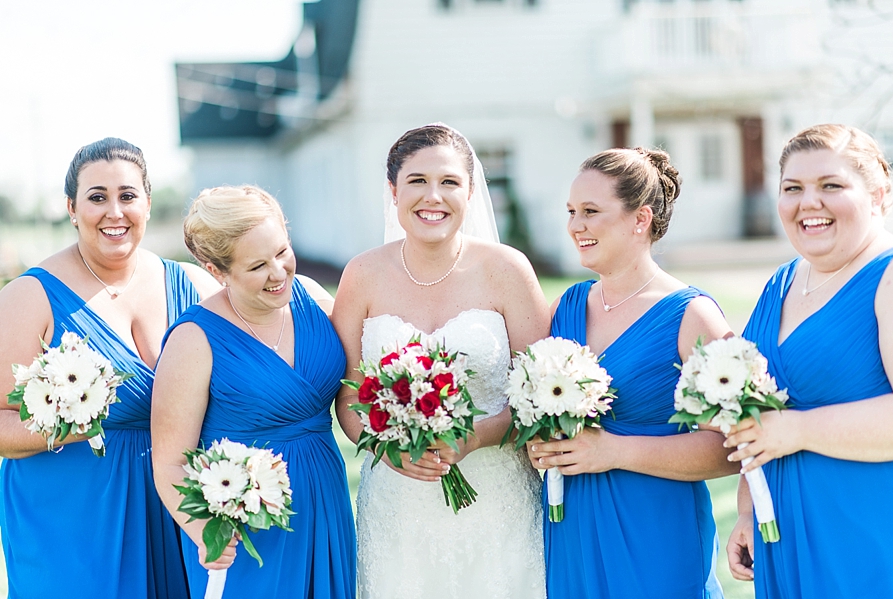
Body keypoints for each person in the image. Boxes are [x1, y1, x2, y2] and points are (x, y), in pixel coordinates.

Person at [332, 123, 551, 598]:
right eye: (417, 181)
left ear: (471, 192)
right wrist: (388, 447)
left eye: (450, 182)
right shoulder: (361, 275)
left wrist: (478, 436)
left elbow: (539, 395)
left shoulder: (508, 270)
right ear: (393, 191)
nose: (434, 196)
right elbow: (348, 398)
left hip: (498, 497)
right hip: (397, 501)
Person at [0, 137, 219, 598]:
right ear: (72, 208)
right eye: (97, 198)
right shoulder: (28, 297)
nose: (114, 212)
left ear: (148, 202)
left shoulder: (195, 287)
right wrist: (73, 422)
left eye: (127, 196)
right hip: (71, 522)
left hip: (174, 508)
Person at [527, 147, 737, 599]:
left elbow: (730, 447)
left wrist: (614, 451)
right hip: (573, 526)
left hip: (656, 528)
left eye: (590, 211)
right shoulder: (564, 307)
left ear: (640, 219)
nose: (575, 226)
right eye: (571, 212)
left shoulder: (693, 316)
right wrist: (538, 443)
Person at [151, 185, 355, 599]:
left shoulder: (315, 299)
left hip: (325, 499)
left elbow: (356, 396)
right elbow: (169, 462)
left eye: (282, 252)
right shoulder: (194, 339)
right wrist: (207, 533)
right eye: (258, 265)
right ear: (217, 270)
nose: (279, 273)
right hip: (247, 524)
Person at [724, 124, 893, 597]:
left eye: (831, 185)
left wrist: (797, 430)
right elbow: (751, 412)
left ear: (879, 194)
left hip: (871, 536)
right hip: (782, 532)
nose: (809, 203)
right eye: (793, 189)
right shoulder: (781, 283)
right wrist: (747, 508)